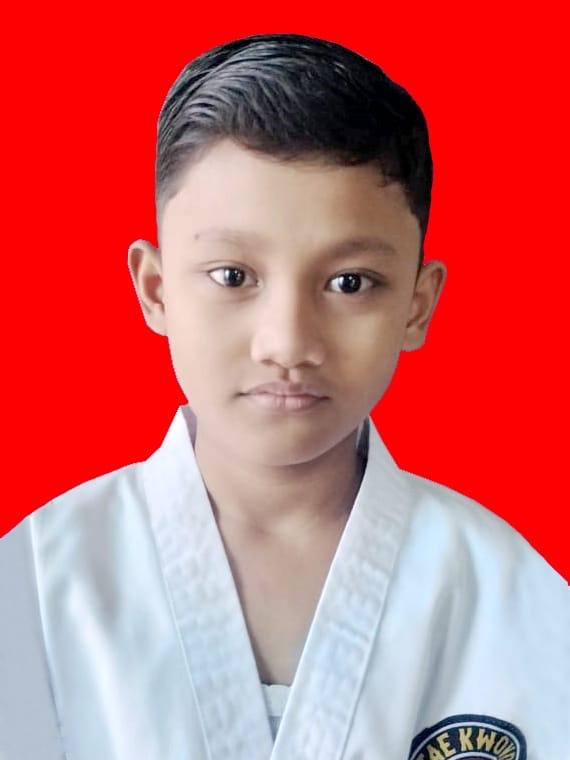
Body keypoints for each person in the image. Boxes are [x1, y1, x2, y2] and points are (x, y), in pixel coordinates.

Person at [0, 33, 567, 760]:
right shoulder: (35, 587)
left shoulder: (517, 602)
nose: (288, 342)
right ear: (156, 289)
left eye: (349, 283)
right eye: (233, 276)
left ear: (417, 305)